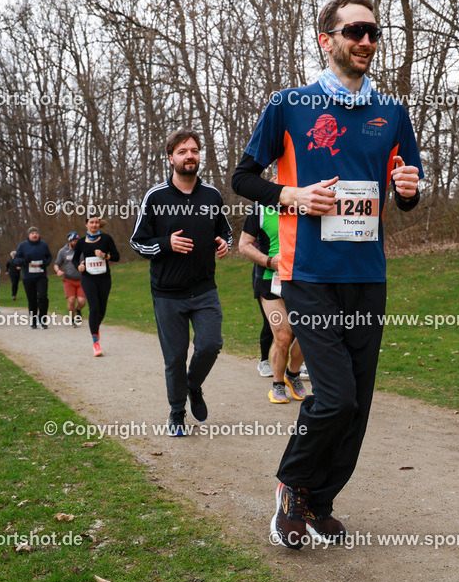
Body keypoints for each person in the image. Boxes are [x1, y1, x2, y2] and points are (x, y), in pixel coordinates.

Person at [231, 0, 422, 549]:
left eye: (373, 33)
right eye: (354, 31)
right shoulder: (289, 105)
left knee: (357, 402)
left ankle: (321, 502)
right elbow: (245, 177)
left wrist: (408, 191)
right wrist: (291, 195)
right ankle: (291, 488)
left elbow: (405, 185)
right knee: (334, 395)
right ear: (326, 40)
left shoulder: (392, 114)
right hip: (307, 270)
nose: (366, 41)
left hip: (368, 273)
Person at [132, 128, 232, 436]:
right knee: (174, 357)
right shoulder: (156, 197)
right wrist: (166, 244)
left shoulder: (211, 195)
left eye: (194, 150)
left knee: (211, 345)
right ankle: (176, 413)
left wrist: (224, 243)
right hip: (168, 295)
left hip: (204, 289)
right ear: (170, 158)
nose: (190, 156)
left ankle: (194, 385)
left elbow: (225, 231)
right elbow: (138, 242)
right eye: (182, 151)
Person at [239, 202, 308, 403]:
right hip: (270, 280)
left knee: (307, 332)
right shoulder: (260, 209)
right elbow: (243, 245)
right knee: (283, 335)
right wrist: (269, 261)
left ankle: (292, 375)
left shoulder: (305, 203)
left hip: (302, 279)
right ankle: (277, 384)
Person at [74, 215, 120, 356]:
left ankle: (95, 326)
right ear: (86, 225)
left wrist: (104, 255)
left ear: (99, 225)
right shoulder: (81, 242)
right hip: (88, 278)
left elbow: (116, 257)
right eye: (91, 223)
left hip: (104, 279)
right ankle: (95, 343)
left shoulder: (106, 239)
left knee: (102, 310)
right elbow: (75, 260)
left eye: (96, 223)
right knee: (94, 308)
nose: (94, 225)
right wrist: (79, 267)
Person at [13, 227, 52, 329]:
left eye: (36, 233)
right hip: (28, 277)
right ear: (29, 235)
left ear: (38, 234)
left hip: (41, 276)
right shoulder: (23, 245)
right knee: (32, 299)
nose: (35, 235)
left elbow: (49, 256)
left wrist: (46, 263)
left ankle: (43, 320)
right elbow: (16, 259)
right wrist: (24, 261)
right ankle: (34, 321)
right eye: (32, 233)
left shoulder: (43, 245)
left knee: (43, 297)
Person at [54, 231, 86, 328]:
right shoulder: (63, 251)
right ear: (70, 241)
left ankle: (78, 310)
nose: (77, 242)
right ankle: (72, 319)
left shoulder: (82, 250)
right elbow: (57, 264)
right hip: (68, 280)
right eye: (75, 241)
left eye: (78, 240)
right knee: (71, 300)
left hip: (82, 280)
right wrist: (58, 271)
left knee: (81, 301)